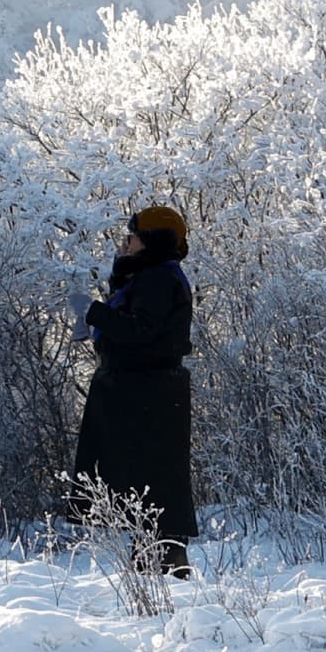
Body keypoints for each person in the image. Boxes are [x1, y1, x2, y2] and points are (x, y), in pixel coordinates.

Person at [71, 202, 197, 575]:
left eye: (132, 237)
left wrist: (94, 313)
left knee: (154, 483)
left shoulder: (158, 279)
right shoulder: (152, 277)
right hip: (146, 393)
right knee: (151, 483)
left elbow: (140, 331)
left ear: (152, 241)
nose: (124, 244)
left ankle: (166, 568)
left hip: (149, 395)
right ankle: (156, 566)